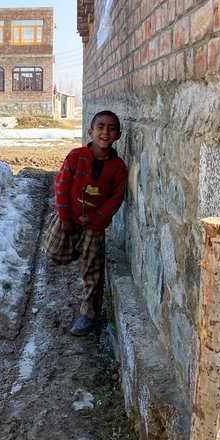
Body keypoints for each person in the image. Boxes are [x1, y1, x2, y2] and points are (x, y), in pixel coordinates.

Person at [42, 110, 128, 336]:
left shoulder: (118, 167)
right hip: (69, 217)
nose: (105, 132)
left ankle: (88, 314)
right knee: (54, 253)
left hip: (94, 226)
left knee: (93, 271)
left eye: (111, 128)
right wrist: (64, 217)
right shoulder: (76, 157)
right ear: (90, 132)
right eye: (100, 127)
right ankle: (77, 250)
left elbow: (116, 198)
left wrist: (94, 218)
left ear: (118, 135)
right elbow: (61, 187)